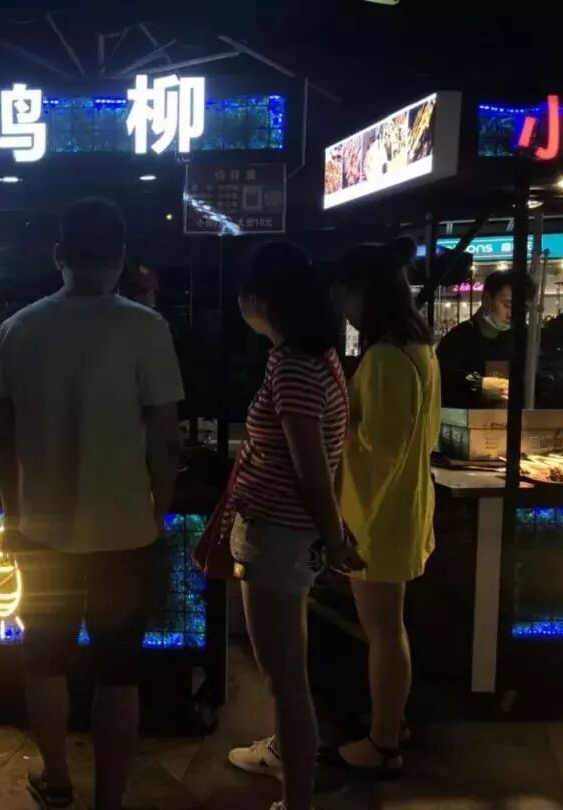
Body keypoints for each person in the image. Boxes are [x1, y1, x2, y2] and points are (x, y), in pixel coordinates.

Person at [0, 198, 184, 810]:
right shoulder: (146, 328)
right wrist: (156, 512)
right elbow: (166, 440)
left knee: (44, 660)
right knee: (119, 673)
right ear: (120, 258)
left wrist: (12, 517)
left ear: (58, 257)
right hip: (126, 531)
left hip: (40, 531)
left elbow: (3, 441)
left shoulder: (19, 328)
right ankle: (110, 800)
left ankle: (56, 779)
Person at [225, 243, 364, 810]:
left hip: (278, 538)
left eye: (243, 294)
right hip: (289, 534)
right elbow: (332, 456)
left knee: (285, 680)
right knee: (287, 671)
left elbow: (311, 469)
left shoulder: (292, 367)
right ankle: (287, 756)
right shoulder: (319, 357)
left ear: (261, 300)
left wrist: (335, 539)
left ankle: (296, 798)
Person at [324, 240, 441, 778]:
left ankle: (382, 743)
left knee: (385, 633)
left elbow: (381, 447)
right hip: (403, 510)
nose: (342, 304)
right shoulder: (419, 349)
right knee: (390, 629)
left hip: (378, 518)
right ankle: (393, 721)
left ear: (364, 292)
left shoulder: (385, 358)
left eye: (345, 292)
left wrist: (340, 427)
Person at [436, 270, 533, 408]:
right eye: (508, 306)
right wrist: (478, 385)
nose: (512, 315)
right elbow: (441, 381)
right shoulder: (458, 338)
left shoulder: (527, 338)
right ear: (487, 299)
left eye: (523, 308)